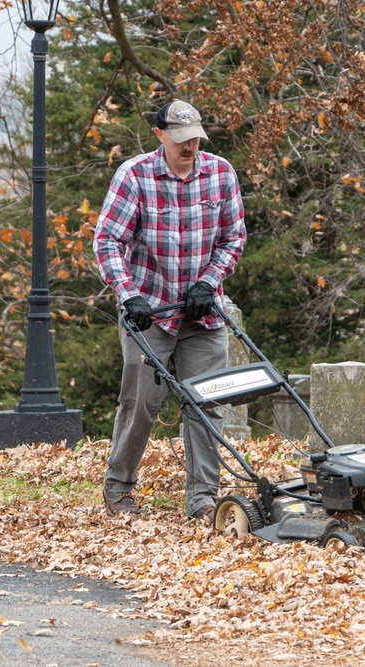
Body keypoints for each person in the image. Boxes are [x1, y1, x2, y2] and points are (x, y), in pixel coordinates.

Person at [93, 100, 246, 520]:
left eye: (195, 138)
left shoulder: (220, 173)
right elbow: (107, 242)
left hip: (202, 314)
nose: (189, 146)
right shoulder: (135, 175)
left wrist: (208, 282)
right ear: (160, 135)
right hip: (150, 314)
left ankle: (202, 498)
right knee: (141, 402)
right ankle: (119, 486)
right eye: (180, 139)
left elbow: (233, 238)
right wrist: (129, 295)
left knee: (206, 402)